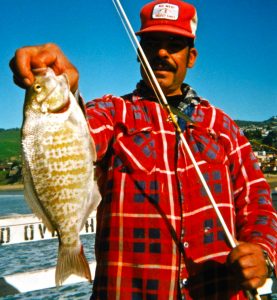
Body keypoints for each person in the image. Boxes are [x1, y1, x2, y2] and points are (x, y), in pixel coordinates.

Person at [10, 0, 276, 299]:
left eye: (174, 45)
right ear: (140, 53)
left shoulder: (223, 126)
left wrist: (262, 253)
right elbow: (79, 137)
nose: (161, 53)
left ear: (191, 57)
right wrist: (63, 84)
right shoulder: (112, 112)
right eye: (151, 43)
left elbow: (257, 202)